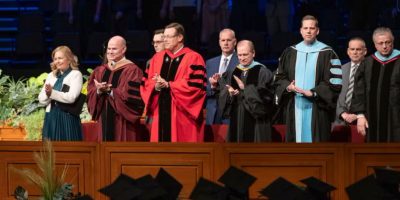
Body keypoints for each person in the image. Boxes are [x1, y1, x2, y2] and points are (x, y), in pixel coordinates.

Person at [273, 15, 342, 143]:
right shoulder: (290, 52)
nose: (308, 31)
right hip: (295, 106)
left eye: (312, 28)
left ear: (317, 31)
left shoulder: (328, 53)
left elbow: (335, 83)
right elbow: (279, 77)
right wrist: (288, 86)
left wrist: (314, 92)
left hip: (318, 108)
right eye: (305, 28)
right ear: (301, 30)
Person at [140, 22, 206, 142]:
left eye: (168, 37)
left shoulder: (194, 57)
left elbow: (195, 87)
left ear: (180, 37)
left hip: (182, 115)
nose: (165, 40)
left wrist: (169, 85)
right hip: (159, 113)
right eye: (164, 37)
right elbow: (146, 82)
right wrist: (156, 86)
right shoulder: (157, 58)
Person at [210, 40, 273, 142]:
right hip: (237, 118)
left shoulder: (263, 72)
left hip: (256, 121)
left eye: (245, 55)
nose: (242, 58)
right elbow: (222, 94)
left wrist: (245, 89)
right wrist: (218, 87)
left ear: (253, 53)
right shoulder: (233, 72)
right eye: (239, 55)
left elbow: (267, 99)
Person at [87, 35, 144, 141]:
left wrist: (110, 91)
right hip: (103, 121)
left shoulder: (132, 70)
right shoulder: (100, 70)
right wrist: (98, 91)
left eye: (114, 49)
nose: (110, 52)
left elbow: (132, 98)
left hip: (124, 123)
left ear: (124, 49)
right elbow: (91, 92)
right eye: (108, 48)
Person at [351, 27, 400, 142]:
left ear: (393, 42)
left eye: (388, 42)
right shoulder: (367, 63)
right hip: (372, 119)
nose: (384, 46)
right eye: (380, 43)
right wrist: (360, 115)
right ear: (375, 44)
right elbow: (359, 91)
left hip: (396, 119)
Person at [39, 46, 83, 141]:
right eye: (55, 59)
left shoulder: (75, 74)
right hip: (51, 117)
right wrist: (48, 94)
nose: (57, 61)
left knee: (68, 149)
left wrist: (52, 93)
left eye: (60, 58)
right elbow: (41, 99)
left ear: (69, 59)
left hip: (67, 117)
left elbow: (71, 97)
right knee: (50, 150)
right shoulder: (51, 76)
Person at [206, 28, 239, 125]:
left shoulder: (241, 61)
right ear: (219, 42)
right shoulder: (210, 63)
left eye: (228, 40)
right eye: (223, 40)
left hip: (232, 112)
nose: (226, 43)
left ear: (235, 42)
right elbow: (204, 89)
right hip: (213, 113)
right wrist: (213, 86)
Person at [336, 37, 367, 125]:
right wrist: (342, 113)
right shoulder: (341, 70)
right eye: (352, 49)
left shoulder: (371, 70)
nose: (355, 52)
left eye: (358, 49)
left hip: (363, 121)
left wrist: (359, 114)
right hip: (340, 120)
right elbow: (334, 95)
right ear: (348, 51)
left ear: (364, 51)